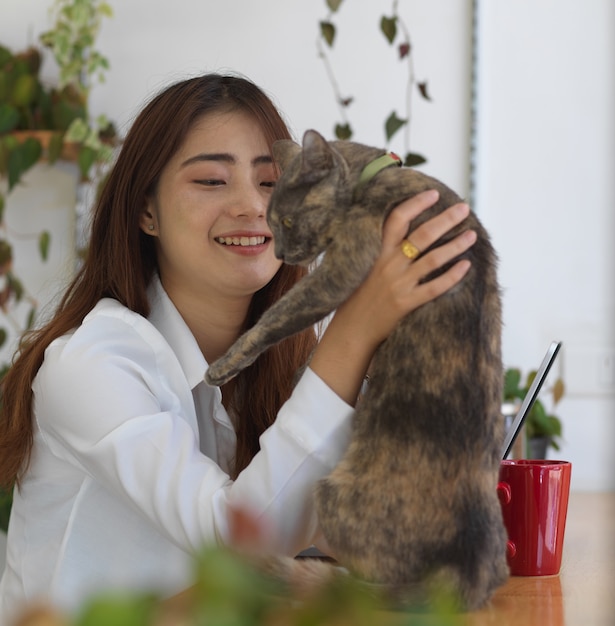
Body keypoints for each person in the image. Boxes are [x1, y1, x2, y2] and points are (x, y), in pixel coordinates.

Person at [0, 73, 476, 620]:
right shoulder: (92, 364)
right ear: (145, 211)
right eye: (211, 181)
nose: (253, 207)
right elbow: (237, 543)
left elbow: (381, 532)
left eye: (272, 183)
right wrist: (355, 330)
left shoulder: (276, 361)